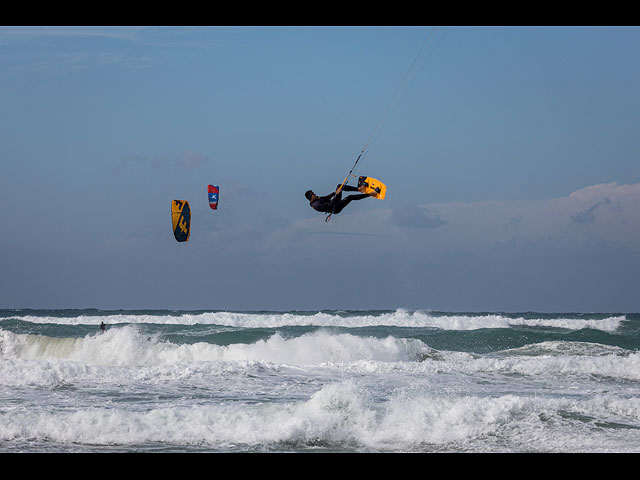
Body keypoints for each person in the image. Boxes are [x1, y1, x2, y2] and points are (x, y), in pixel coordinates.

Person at [305, 184, 373, 217]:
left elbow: (327, 197)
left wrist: (335, 192)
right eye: (313, 194)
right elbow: (330, 204)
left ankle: (359, 189)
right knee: (350, 197)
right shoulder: (317, 205)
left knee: (339, 187)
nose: (315, 194)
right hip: (336, 208)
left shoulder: (316, 199)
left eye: (313, 193)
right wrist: (337, 194)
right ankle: (370, 194)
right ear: (311, 197)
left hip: (334, 202)